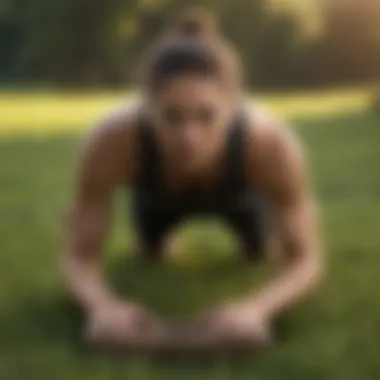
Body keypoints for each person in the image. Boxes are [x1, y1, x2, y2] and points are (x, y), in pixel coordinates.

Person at [61, 9, 323, 352]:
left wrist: (256, 308)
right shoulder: (111, 141)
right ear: (146, 106)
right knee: (151, 257)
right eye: (172, 117)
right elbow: (78, 255)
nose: (189, 138)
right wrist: (102, 306)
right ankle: (156, 240)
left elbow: (305, 258)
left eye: (206, 116)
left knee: (260, 254)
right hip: (157, 196)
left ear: (232, 106)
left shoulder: (271, 145)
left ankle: (251, 240)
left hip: (239, 195)